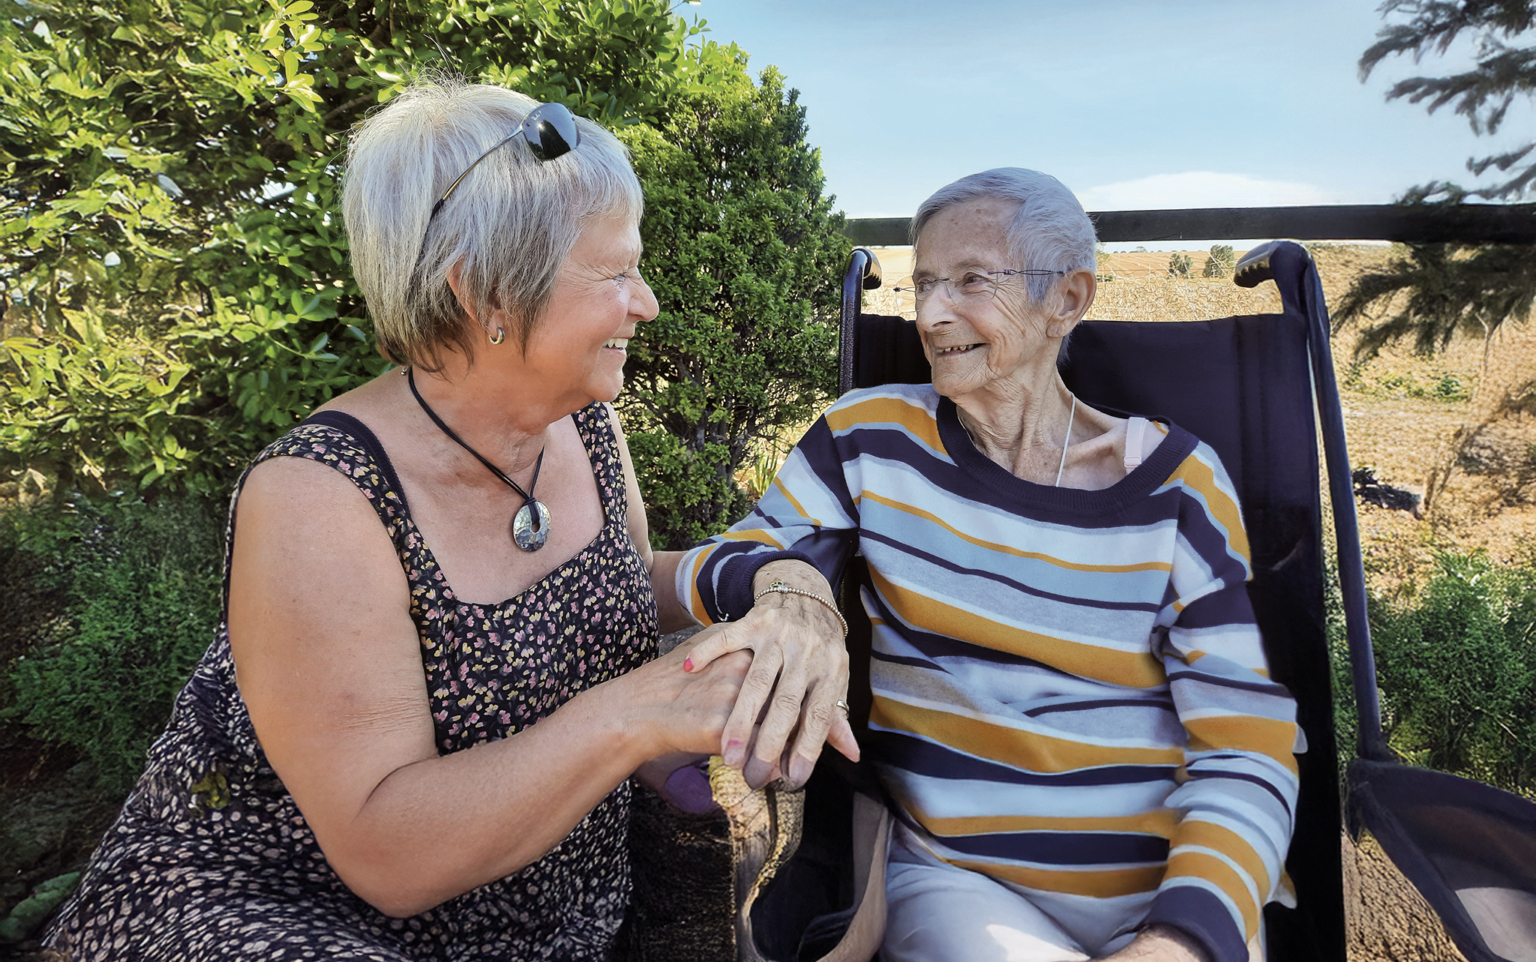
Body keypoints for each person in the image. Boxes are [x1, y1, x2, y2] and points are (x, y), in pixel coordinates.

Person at [45, 78, 854, 962]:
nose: (647, 300)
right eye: (616, 271)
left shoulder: (581, 420)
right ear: (488, 294)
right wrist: (633, 717)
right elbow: (384, 849)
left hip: (540, 912)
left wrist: (780, 580)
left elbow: (626, 581)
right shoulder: (319, 496)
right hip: (279, 912)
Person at [677, 168, 1302, 962]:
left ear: (1066, 301)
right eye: (924, 283)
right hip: (964, 880)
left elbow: (1247, 745)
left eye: (971, 281)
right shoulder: (868, 441)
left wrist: (1181, 939)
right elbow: (735, 554)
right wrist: (789, 587)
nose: (933, 314)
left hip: (1177, 888)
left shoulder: (1180, 485)